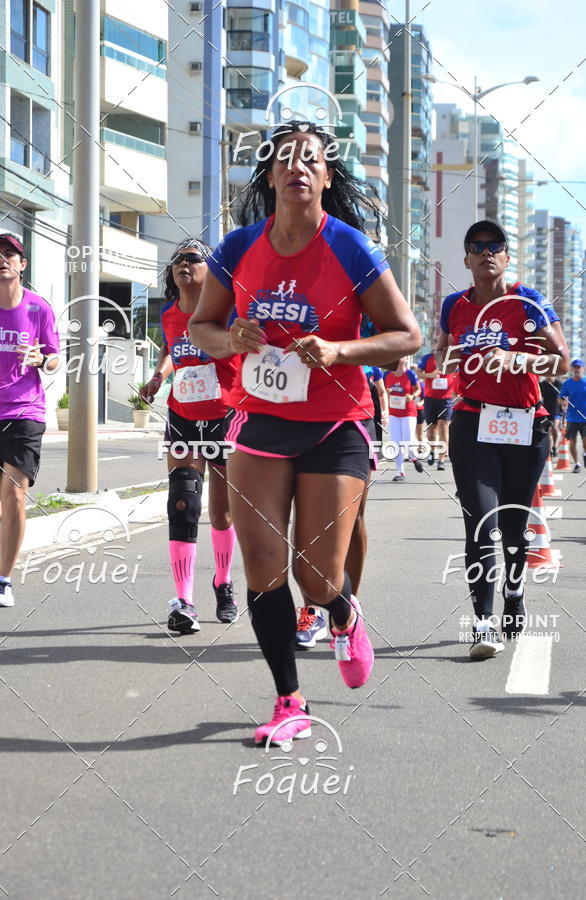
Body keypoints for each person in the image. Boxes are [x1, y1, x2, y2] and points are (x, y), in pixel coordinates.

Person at [190, 121, 420, 744]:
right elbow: (201, 328)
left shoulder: (349, 248)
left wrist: (342, 350)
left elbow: (407, 336)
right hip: (261, 421)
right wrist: (229, 338)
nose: (296, 167)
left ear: (325, 176)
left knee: (316, 579)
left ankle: (343, 615)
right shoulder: (236, 249)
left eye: (309, 160)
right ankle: (288, 701)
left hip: (334, 425)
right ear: (268, 176)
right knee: (263, 569)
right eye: (284, 159)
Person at [436, 221, 569, 659]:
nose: (486, 252)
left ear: (507, 257)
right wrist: (451, 360)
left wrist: (515, 358)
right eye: (477, 246)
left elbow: (561, 363)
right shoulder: (454, 305)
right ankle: (482, 623)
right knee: (481, 522)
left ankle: (514, 590)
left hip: (526, 425)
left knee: (513, 526)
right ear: (467, 258)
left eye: (495, 246)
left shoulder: (528, 302)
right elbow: (443, 353)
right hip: (473, 423)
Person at [140, 240, 238, 633]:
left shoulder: (229, 311)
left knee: (222, 513)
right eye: (178, 259)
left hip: (226, 416)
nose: (183, 264)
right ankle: (184, 601)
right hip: (183, 416)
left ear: (209, 270)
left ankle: (224, 582)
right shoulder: (168, 313)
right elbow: (170, 350)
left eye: (193, 258)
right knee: (182, 503)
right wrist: (157, 377)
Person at [295, 360, 388, 650]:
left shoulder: (369, 316)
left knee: (355, 516)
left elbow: (393, 350)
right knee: (308, 516)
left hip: (355, 412)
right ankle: (311, 612)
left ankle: (347, 608)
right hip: (304, 407)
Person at [0, 234, 60, 607]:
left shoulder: (38, 309)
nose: (2, 260)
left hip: (24, 412)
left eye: (10, 255)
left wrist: (42, 360)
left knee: (14, 497)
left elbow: (55, 358)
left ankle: (3, 579)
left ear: (22, 264)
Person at [383, 359, 423, 482]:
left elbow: (418, 389)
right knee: (396, 444)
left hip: (408, 413)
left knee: (408, 441)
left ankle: (414, 458)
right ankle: (400, 472)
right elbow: (383, 391)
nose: (402, 361)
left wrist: (413, 396)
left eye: (404, 358)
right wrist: (387, 392)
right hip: (394, 413)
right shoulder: (387, 375)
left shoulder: (410, 374)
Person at [417, 349, 454, 470]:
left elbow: (461, 373)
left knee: (444, 426)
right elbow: (418, 374)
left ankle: (442, 459)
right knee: (432, 429)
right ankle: (433, 451)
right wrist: (429, 375)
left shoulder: (452, 357)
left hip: (446, 399)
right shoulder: (427, 358)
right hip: (430, 398)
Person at [559, 360, 586, 472]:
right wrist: (563, 402)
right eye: (575, 367)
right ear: (572, 369)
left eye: (579, 367)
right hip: (572, 417)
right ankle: (577, 464)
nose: (577, 369)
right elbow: (561, 397)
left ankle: (585, 453)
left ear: (583, 369)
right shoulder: (567, 383)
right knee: (572, 442)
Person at [539, 376, 563, 457]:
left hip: (557, 410)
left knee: (555, 427)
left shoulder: (558, 384)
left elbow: (564, 395)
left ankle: (555, 446)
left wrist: (564, 402)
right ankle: (549, 449)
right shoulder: (542, 384)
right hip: (546, 411)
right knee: (548, 431)